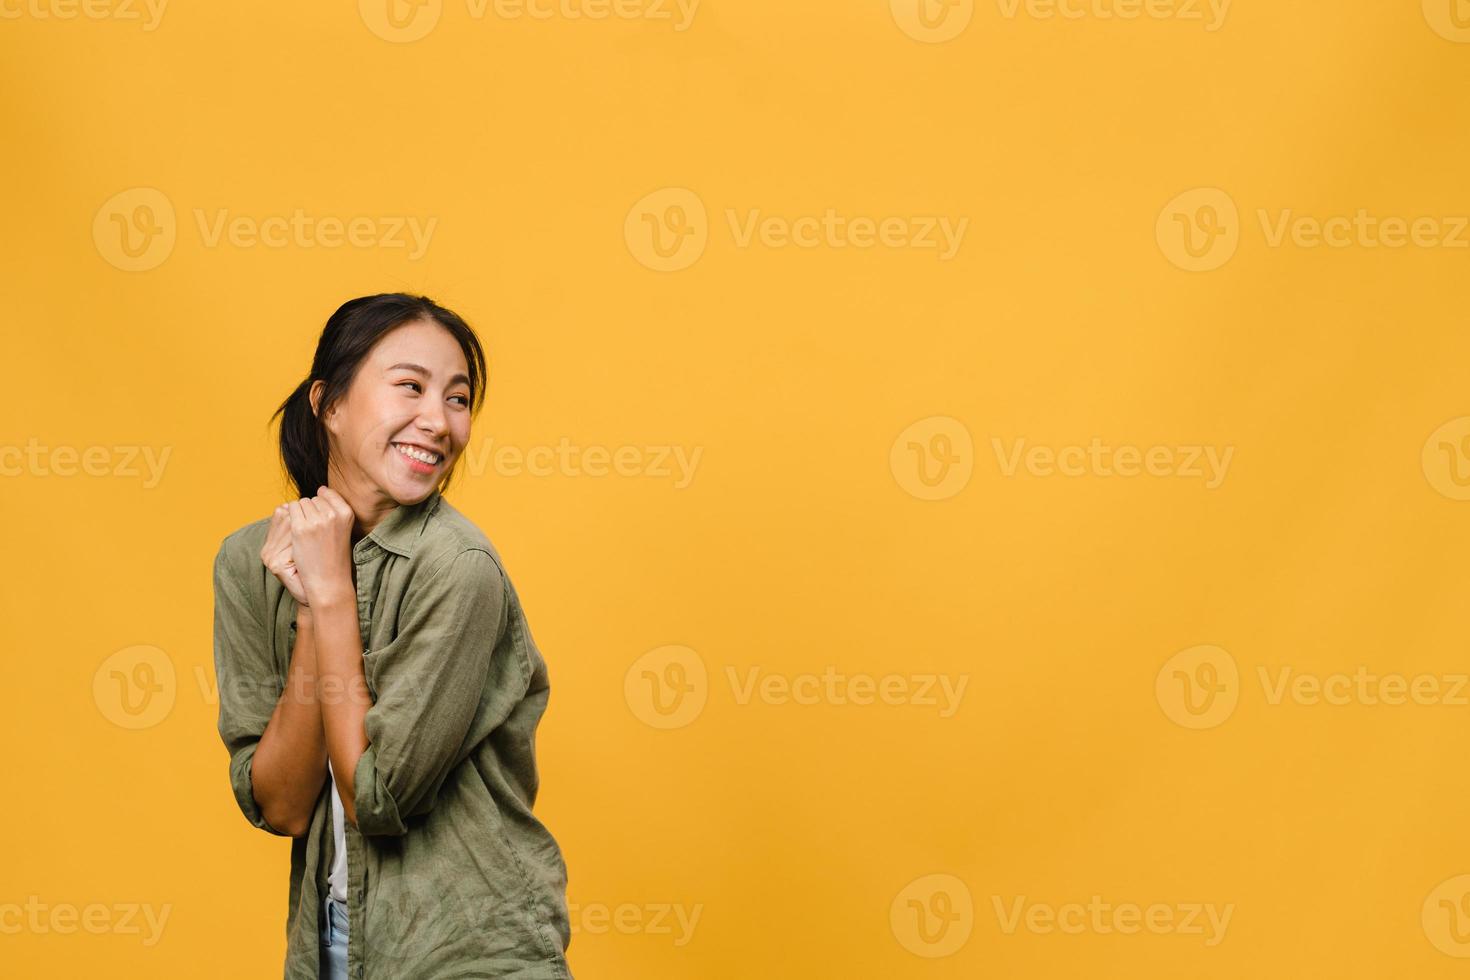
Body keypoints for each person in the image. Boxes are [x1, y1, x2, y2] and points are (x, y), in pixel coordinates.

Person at [211, 293, 573, 979]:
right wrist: (315, 613)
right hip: (332, 947)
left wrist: (333, 595)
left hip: (474, 947)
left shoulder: (459, 569)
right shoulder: (246, 561)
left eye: (458, 399)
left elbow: (377, 801)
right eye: (410, 386)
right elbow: (282, 806)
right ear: (330, 402)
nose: (438, 422)